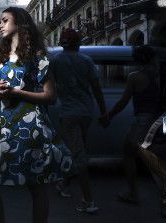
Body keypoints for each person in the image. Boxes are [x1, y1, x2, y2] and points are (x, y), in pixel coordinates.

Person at [0, 7, 72, 223]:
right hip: (4, 127)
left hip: (31, 127)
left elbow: (51, 97)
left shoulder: (37, 57)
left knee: (36, 185)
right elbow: (0, 96)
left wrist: (15, 92)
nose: (0, 25)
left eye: (5, 20)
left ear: (20, 23)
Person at [49, 28, 108, 214]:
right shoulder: (86, 60)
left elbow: (48, 89)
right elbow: (97, 88)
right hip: (86, 113)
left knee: (78, 154)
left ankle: (88, 200)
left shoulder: (55, 61)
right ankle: (64, 184)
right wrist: (104, 112)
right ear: (77, 43)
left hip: (68, 113)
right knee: (77, 149)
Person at [106, 45, 163, 204]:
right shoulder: (157, 75)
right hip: (157, 120)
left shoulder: (134, 76)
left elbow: (123, 102)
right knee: (153, 158)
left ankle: (133, 193)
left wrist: (109, 115)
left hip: (142, 121)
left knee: (128, 153)